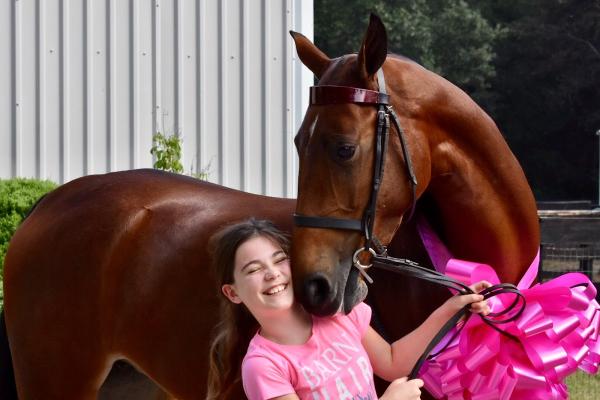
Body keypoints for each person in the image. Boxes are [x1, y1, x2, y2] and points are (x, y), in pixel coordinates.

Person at [206, 219, 490, 400]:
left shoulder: (336, 315)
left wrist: (453, 309)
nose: (271, 274)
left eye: (279, 260)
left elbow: (392, 362)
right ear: (233, 293)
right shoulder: (264, 366)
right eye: (253, 269)